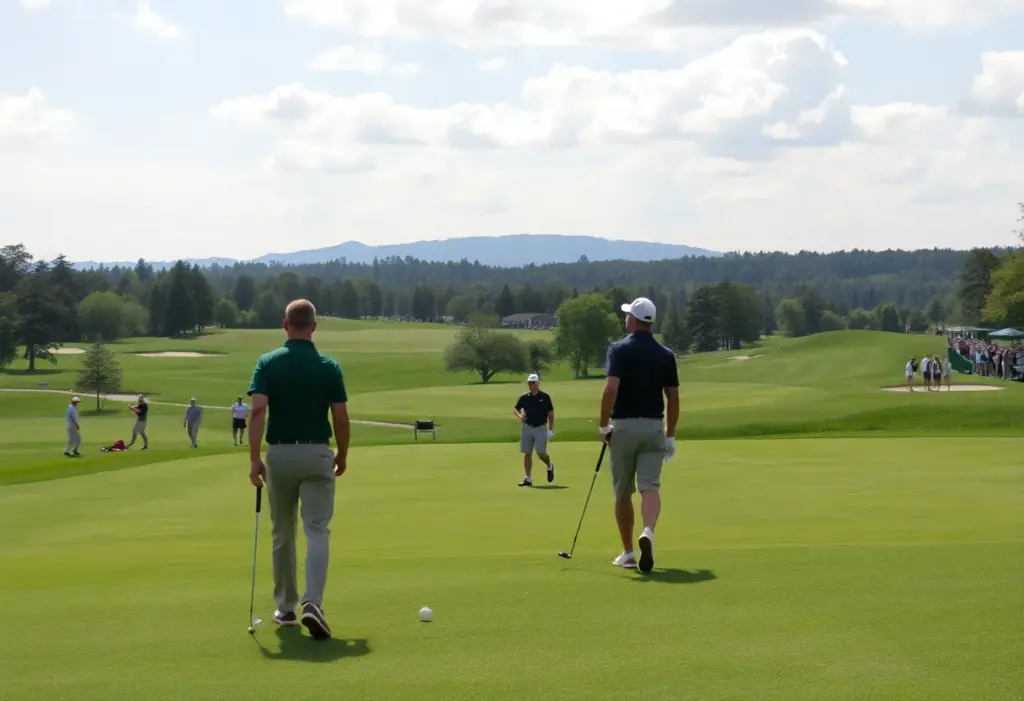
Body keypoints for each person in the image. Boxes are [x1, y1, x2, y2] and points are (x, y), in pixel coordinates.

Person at [247, 298, 349, 641]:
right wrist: (343, 454)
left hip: (280, 454)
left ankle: (287, 607)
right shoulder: (328, 365)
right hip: (318, 453)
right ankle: (313, 603)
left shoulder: (267, 363)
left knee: (283, 531)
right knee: (317, 529)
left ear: (285, 324)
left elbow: (258, 411)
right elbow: (340, 417)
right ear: (314, 327)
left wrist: (253, 457)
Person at [598, 297, 679, 573]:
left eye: (627, 315)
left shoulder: (618, 349)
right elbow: (673, 398)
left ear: (633, 320)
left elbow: (610, 389)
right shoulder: (666, 355)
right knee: (650, 487)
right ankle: (648, 531)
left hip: (623, 428)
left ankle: (629, 553)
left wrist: (602, 424)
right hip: (654, 428)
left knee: (623, 492)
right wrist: (670, 435)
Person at [512, 373, 555, 487]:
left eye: (532, 383)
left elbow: (550, 414)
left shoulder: (545, 397)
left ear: (537, 384)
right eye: (529, 383)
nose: (530, 385)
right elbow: (515, 408)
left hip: (540, 427)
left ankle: (549, 466)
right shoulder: (525, 397)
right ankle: (528, 478)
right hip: (527, 427)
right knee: (527, 453)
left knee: (541, 452)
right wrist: (520, 416)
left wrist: (550, 429)